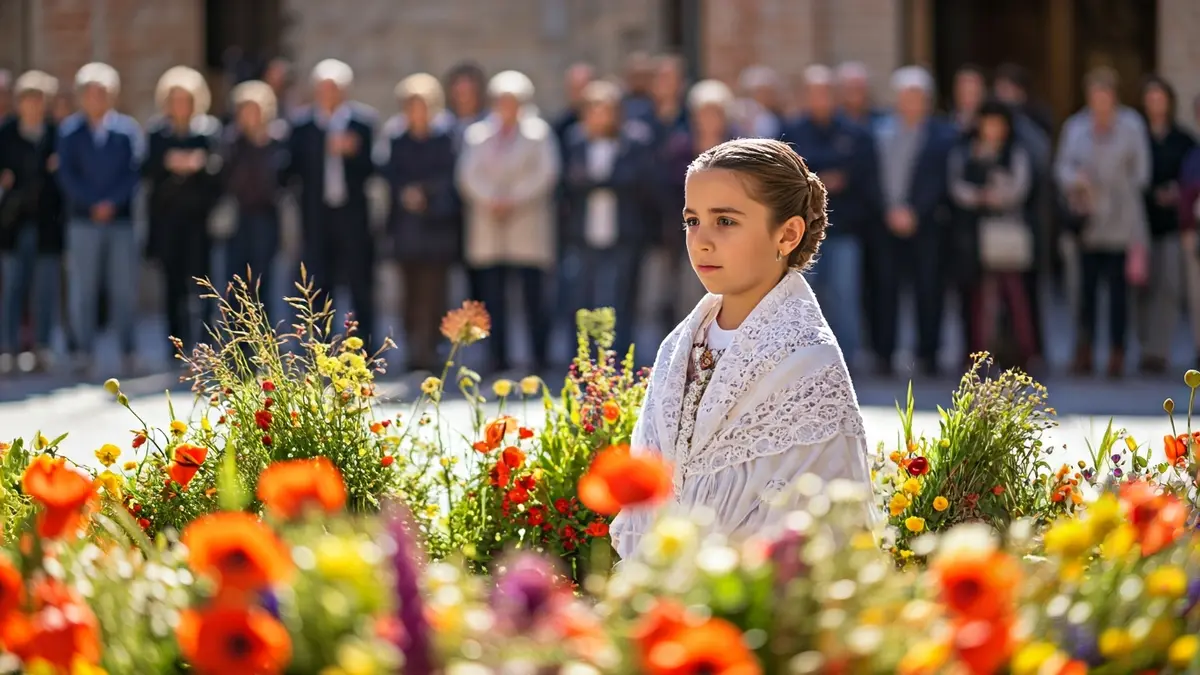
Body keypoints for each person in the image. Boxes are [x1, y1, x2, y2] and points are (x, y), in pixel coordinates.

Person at [609, 138, 874, 561]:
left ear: (787, 234)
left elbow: (821, 524)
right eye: (692, 221)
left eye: (726, 222)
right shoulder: (677, 345)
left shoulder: (808, 360)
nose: (701, 241)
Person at [56, 62, 143, 376]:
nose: (97, 98)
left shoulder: (127, 131)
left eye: (103, 92)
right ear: (82, 96)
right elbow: (66, 175)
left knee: (123, 288)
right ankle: (83, 352)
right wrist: (92, 203)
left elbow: (134, 172)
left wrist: (111, 203)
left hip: (120, 222)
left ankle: (128, 351)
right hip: (83, 221)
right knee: (84, 289)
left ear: (113, 95)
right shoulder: (69, 132)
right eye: (91, 93)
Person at [144, 65, 222, 353]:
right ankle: (175, 344)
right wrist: (169, 164)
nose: (180, 106)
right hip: (167, 221)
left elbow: (219, 174)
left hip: (199, 221)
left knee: (202, 285)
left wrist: (199, 165)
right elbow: (146, 171)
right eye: (174, 99)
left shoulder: (208, 132)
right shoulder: (157, 134)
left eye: (185, 99)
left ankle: (204, 344)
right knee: (172, 285)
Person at [0, 70, 65, 373]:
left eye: (39, 98)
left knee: (45, 289)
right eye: (28, 98)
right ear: (19, 101)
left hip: (47, 223)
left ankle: (42, 347)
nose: (33, 104)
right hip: (12, 224)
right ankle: (8, 349)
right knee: (12, 286)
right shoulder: (6, 133)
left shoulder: (56, 135)